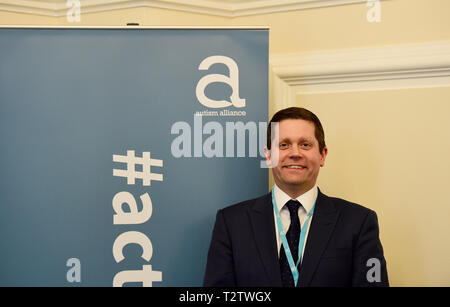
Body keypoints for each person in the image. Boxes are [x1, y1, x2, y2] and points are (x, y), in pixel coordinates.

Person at [203, 107, 389, 287]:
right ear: (268, 156)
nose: (294, 153)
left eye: (305, 144)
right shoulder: (231, 223)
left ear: (322, 155)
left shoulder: (359, 222)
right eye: (283, 145)